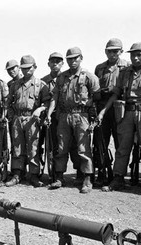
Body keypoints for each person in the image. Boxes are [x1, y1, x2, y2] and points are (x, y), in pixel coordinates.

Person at [98, 42, 141, 199]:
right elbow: (116, 93)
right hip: (127, 113)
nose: (135, 58)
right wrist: (104, 111)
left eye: (139, 54)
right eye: (133, 55)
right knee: (123, 147)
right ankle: (118, 178)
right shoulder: (124, 73)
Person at [46, 47, 100, 193]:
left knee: (83, 148)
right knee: (62, 147)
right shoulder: (61, 78)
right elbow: (54, 98)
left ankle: (87, 179)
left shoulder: (89, 77)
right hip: (64, 116)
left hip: (81, 116)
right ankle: (59, 177)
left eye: (75, 58)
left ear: (81, 58)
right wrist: (49, 114)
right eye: (69, 59)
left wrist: (91, 109)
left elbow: (97, 97)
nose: (72, 61)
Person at [5, 55, 50, 187]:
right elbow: (8, 102)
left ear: (34, 67)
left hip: (32, 119)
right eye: (23, 68)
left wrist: (40, 110)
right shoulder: (15, 85)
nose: (26, 71)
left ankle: (34, 175)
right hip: (18, 119)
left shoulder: (41, 85)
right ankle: (17, 174)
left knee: (33, 148)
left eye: (29, 68)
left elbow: (47, 103)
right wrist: (12, 117)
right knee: (17, 147)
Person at [93, 38, 129, 186]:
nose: (113, 53)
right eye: (110, 51)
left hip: (120, 107)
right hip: (103, 107)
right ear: (105, 51)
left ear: (121, 51)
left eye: (116, 50)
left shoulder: (127, 66)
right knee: (100, 141)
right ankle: (102, 171)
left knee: (121, 142)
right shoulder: (100, 68)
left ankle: (118, 175)